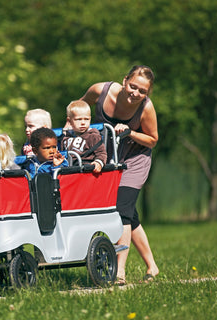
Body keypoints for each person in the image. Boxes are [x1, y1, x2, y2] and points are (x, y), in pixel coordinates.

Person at [80, 65, 160, 285]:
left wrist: (130, 132)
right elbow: (78, 107)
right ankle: (152, 266)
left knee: (122, 211)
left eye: (142, 91)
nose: (136, 93)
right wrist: (74, 127)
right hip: (108, 158)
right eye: (133, 86)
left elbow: (153, 139)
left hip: (134, 160)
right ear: (125, 80)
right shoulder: (100, 91)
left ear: (147, 93)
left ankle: (119, 272)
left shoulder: (146, 108)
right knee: (129, 215)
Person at [60, 100, 107, 172]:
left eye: (86, 119)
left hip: (87, 170)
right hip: (69, 171)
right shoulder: (65, 138)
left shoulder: (93, 136)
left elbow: (101, 153)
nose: (83, 123)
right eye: (78, 119)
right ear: (69, 121)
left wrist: (98, 162)